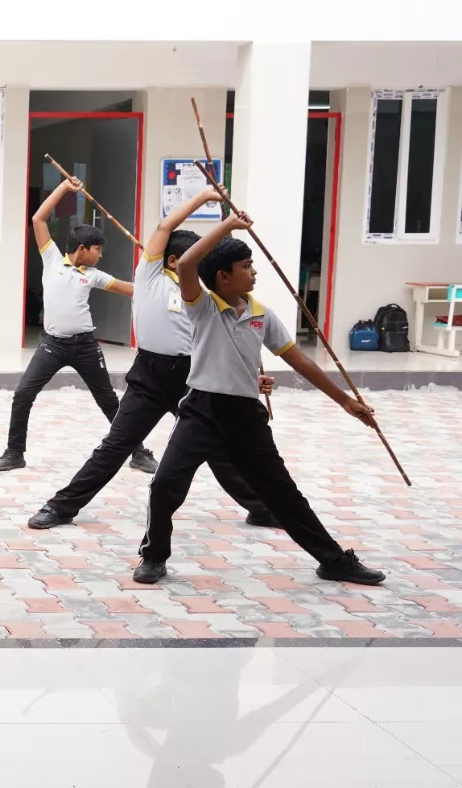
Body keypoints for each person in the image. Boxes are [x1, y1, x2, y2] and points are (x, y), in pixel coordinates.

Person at [133, 211, 385, 586]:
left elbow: (299, 361)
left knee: (282, 493)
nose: (254, 273)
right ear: (223, 276)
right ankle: (154, 557)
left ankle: (334, 560)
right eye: (246, 267)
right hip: (200, 411)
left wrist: (345, 401)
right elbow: (186, 264)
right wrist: (227, 226)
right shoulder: (202, 307)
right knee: (164, 484)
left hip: (245, 417)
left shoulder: (261, 315)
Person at [28, 187, 279, 531]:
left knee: (218, 449)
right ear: (174, 260)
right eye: (192, 258)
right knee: (115, 446)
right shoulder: (149, 276)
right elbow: (164, 228)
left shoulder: (200, 292)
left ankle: (261, 509)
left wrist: (249, 378)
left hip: (192, 378)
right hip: (149, 376)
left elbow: (223, 343)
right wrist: (203, 199)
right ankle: (60, 506)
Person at [0, 175, 153, 473]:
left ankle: (139, 452)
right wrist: (65, 188)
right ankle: (15, 453)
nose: (100, 255)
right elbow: (38, 219)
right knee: (23, 393)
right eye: (97, 249)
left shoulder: (93, 275)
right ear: (82, 248)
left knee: (108, 400)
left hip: (85, 347)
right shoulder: (52, 259)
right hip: (52, 345)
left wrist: (159, 279)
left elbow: (131, 289)